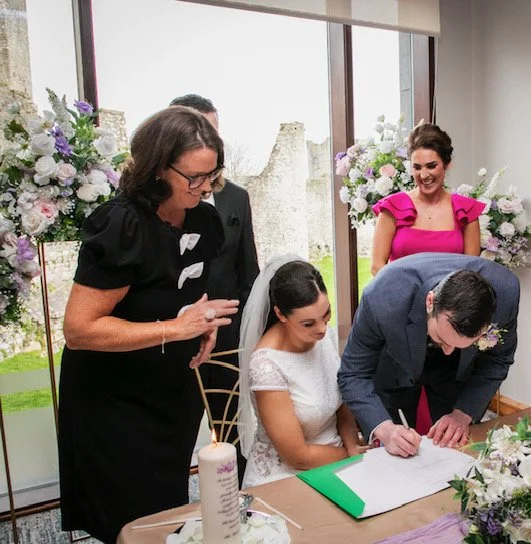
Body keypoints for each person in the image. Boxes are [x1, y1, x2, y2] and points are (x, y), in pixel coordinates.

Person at [57, 106, 239, 544]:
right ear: (158, 168)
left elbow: (183, 289)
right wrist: (173, 330)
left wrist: (203, 322)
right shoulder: (122, 224)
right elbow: (79, 329)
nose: (204, 187)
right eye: (192, 177)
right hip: (114, 399)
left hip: (170, 391)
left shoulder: (203, 218)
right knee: (131, 518)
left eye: (211, 175)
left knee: (168, 508)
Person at [338, 253, 520, 458]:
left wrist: (463, 413)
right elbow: (352, 373)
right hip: (395, 366)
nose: (448, 351)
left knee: (454, 449)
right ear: (430, 301)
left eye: (460, 345)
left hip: (458, 374)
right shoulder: (383, 298)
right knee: (397, 453)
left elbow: (498, 360)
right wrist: (385, 429)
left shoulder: (505, 294)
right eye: (441, 339)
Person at [170, 94, 259, 479]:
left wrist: (253, 335)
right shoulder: (154, 208)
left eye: (214, 135)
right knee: (175, 431)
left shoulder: (237, 197)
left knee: (233, 430)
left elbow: (248, 271)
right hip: (171, 340)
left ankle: (238, 505)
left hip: (226, 338)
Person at [238, 256, 367, 488]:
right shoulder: (266, 365)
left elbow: (341, 404)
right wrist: (351, 456)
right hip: (287, 474)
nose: (322, 329)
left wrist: (352, 444)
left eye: (326, 314)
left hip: (338, 453)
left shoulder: (322, 334)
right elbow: (297, 455)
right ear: (280, 315)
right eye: (308, 324)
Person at [370, 122, 485, 276]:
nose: (424, 175)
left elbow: (471, 274)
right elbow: (377, 267)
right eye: (417, 167)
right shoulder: (392, 207)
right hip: (400, 298)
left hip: (450, 299)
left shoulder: (466, 211)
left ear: (447, 164)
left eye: (431, 166)